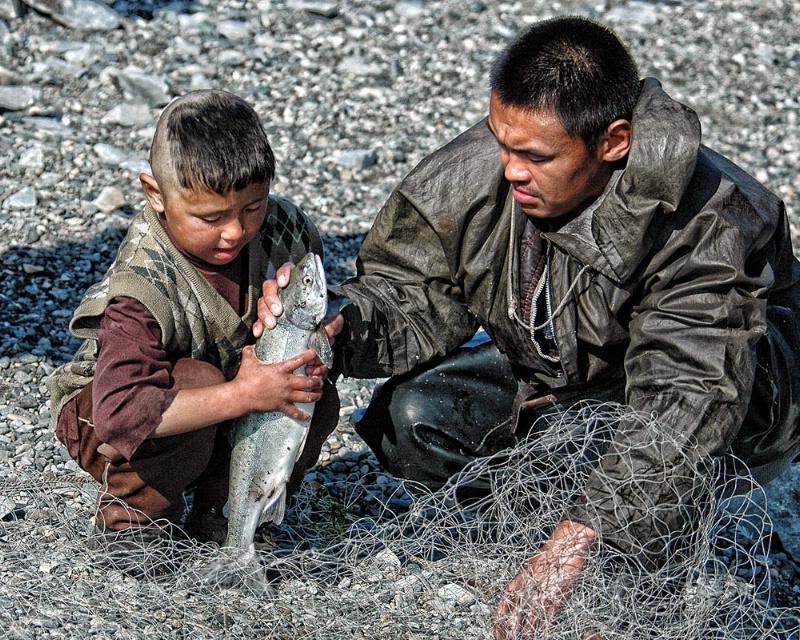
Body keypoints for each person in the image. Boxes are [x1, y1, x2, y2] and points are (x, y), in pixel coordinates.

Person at [258, 16, 800, 638]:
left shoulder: (711, 216)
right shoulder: (472, 175)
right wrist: (337, 322)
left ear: (614, 141)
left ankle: (616, 540)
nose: (511, 170)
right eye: (501, 143)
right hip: (574, 374)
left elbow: (689, 397)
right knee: (411, 419)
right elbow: (406, 291)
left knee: (650, 479)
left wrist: (586, 533)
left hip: (739, 399)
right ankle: (561, 520)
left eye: (535, 156)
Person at [47, 90, 338, 566]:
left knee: (310, 390)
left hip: (228, 392)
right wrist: (246, 395)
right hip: (107, 412)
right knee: (199, 381)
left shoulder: (286, 230)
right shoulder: (141, 286)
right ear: (156, 195)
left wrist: (323, 328)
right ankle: (133, 517)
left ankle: (229, 515)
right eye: (209, 217)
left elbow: (330, 317)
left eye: (253, 207)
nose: (234, 231)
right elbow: (121, 412)